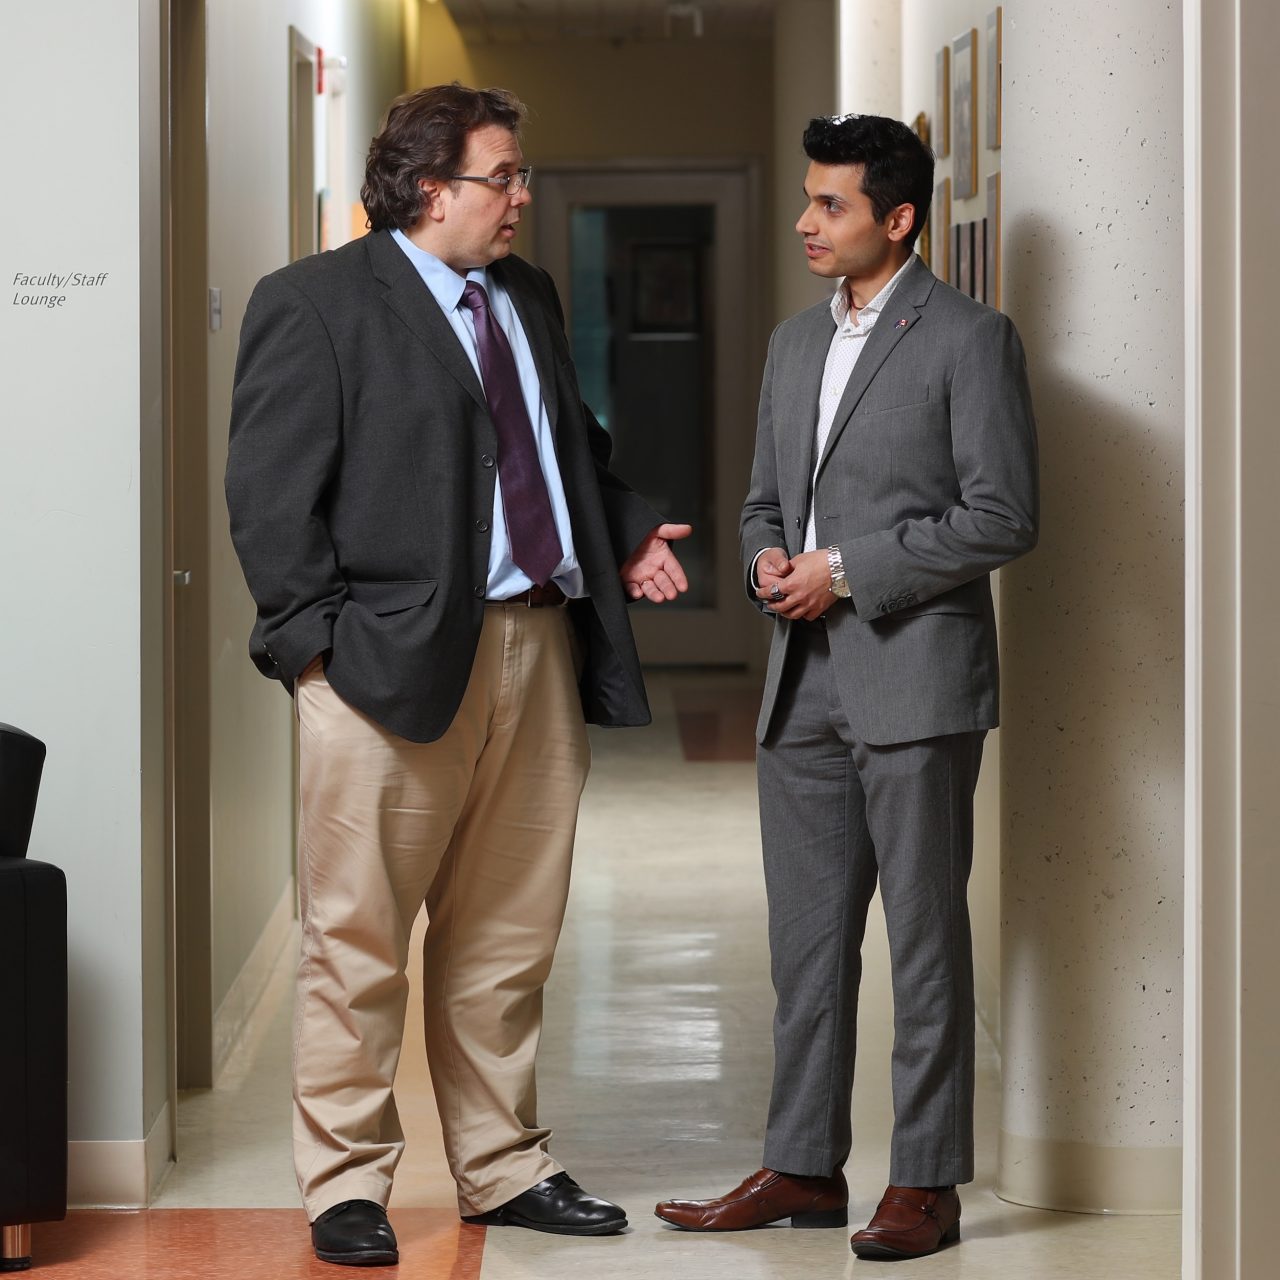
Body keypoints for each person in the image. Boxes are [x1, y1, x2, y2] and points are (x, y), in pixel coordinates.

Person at [225, 83, 690, 1268]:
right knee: (358, 938)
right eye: (505, 176)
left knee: (504, 936)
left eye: (519, 174)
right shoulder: (315, 302)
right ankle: (345, 1181)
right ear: (430, 186)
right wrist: (314, 647)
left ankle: (502, 1164)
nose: (522, 196)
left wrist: (625, 526)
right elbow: (272, 499)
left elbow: (560, 443)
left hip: (533, 646)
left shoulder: (523, 296)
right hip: (380, 667)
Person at [654, 112, 1038, 1261]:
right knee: (805, 947)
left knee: (923, 943)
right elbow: (767, 497)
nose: (806, 221)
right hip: (798, 688)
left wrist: (848, 569)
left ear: (898, 218)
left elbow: (1001, 515)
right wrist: (773, 553)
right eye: (808, 199)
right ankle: (801, 1164)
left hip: (914, 680)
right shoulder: (789, 343)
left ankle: (925, 1181)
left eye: (831, 204)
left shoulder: (969, 340)